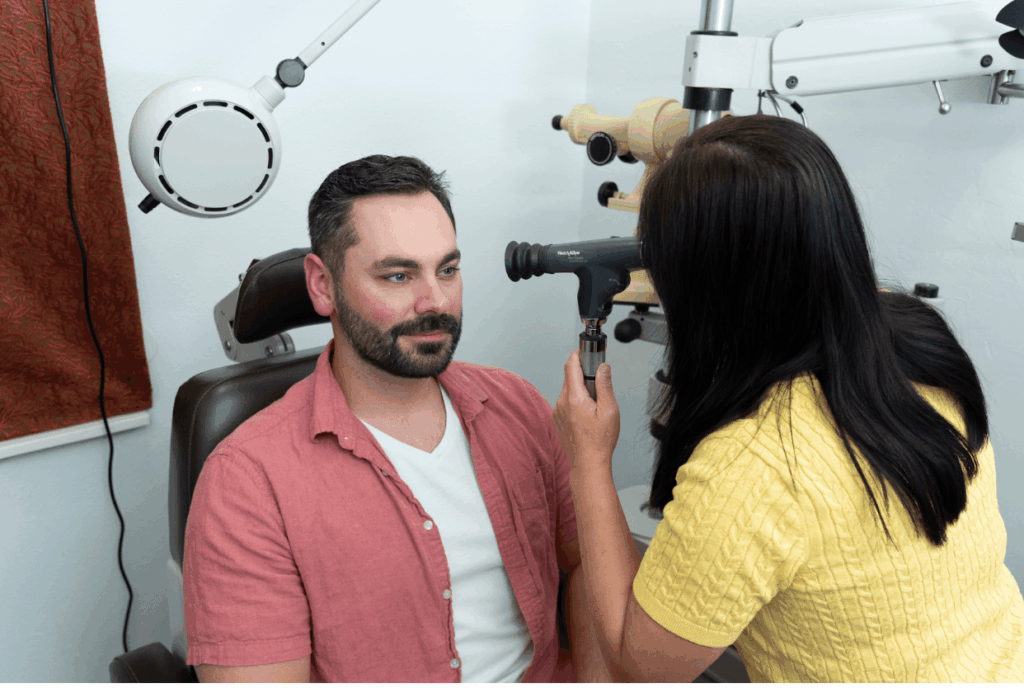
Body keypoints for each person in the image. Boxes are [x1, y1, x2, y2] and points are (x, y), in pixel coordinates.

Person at [552, 114, 1024, 682]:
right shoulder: (916, 338)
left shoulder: (757, 464)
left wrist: (587, 460)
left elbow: (645, 664)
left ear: (697, 286)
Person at [183, 155, 605, 682]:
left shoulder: (515, 404)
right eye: (398, 275)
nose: (435, 302)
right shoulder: (247, 483)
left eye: (447, 270)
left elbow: (587, 563)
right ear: (323, 285)